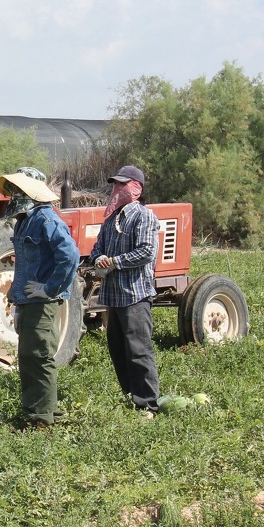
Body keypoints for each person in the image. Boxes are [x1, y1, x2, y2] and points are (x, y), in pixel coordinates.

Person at [0, 167, 80, 429]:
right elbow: (24, 264)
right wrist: (15, 295)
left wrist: (50, 288)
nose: (12, 194)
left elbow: (70, 256)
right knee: (29, 355)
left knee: (40, 355)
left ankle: (42, 419)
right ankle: (37, 411)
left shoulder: (47, 220)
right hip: (28, 300)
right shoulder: (25, 220)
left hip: (42, 303)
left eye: (17, 189)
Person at [90, 165, 161, 418]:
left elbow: (146, 252)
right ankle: (131, 398)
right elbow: (98, 247)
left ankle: (148, 405)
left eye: (123, 184)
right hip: (113, 296)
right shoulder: (111, 219)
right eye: (115, 185)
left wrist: (114, 262)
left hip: (135, 295)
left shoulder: (143, 216)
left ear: (136, 188)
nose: (117, 189)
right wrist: (98, 259)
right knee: (118, 349)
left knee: (138, 350)